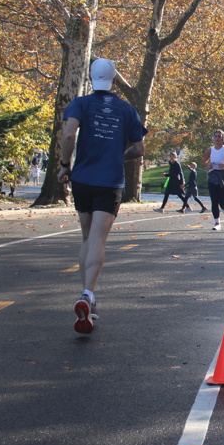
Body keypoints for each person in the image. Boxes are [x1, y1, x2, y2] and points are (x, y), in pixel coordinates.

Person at [58, 57, 147, 334]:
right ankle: (88, 294)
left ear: (90, 77)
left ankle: (87, 297)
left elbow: (69, 135)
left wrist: (65, 165)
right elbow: (139, 148)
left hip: (83, 178)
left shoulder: (80, 103)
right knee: (98, 239)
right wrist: (119, 156)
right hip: (110, 181)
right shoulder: (127, 109)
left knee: (86, 237)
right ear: (115, 80)